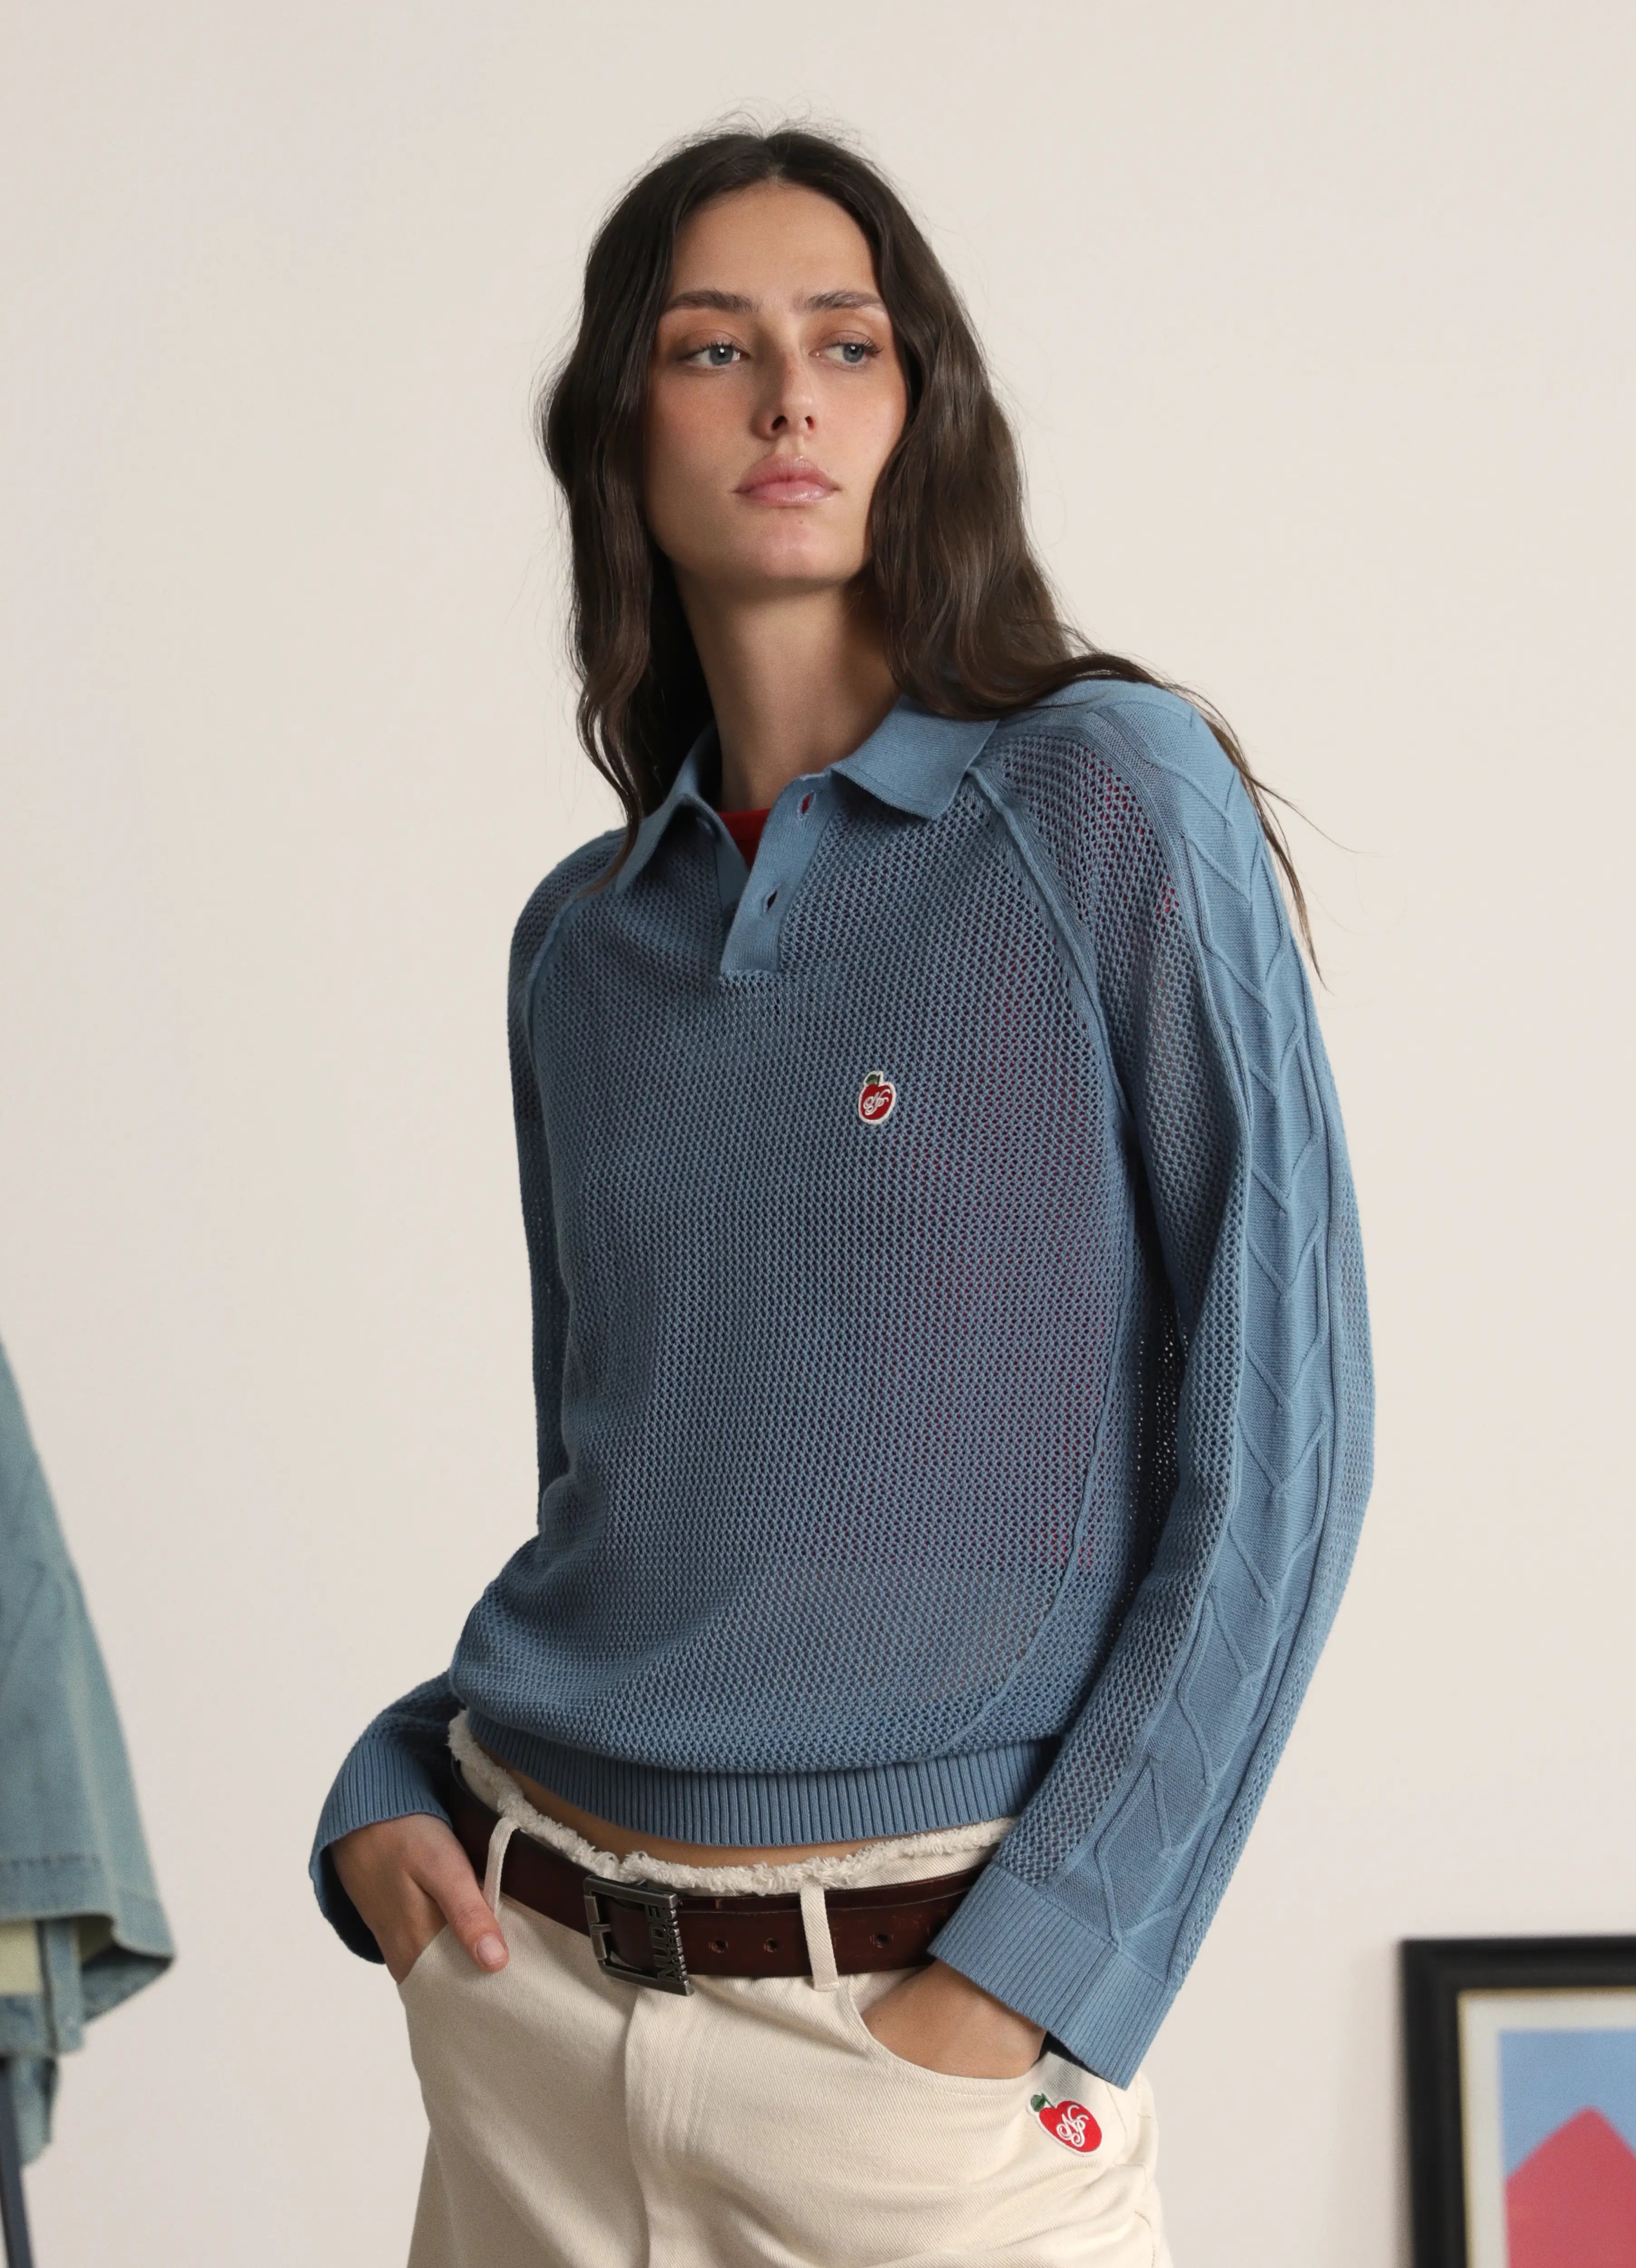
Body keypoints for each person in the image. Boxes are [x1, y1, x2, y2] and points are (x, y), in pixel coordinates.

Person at [309, 123, 1373, 2268]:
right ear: (622, 427)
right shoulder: (579, 943)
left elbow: (1288, 1440)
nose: (789, 397)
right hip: (528, 2013)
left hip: (908, 2057)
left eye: (847, 343)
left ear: (919, 407)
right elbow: (627, 1482)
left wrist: (1040, 1968)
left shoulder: (1107, 798)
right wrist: (391, 1778)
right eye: (715, 347)